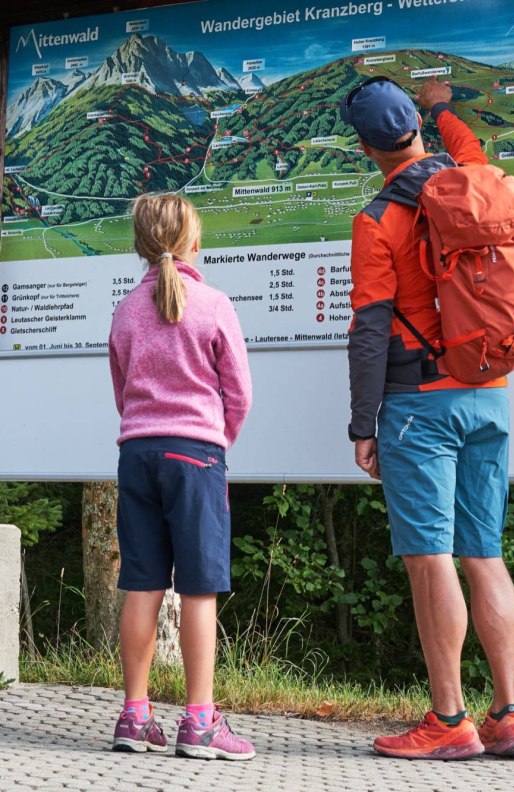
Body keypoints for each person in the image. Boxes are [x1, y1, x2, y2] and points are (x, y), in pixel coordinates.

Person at [340, 76, 514, 760]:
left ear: (365, 148)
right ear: (416, 134)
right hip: (491, 387)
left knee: (430, 558)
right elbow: (466, 143)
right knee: (484, 552)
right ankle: (508, 713)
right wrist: (442, 106)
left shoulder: (378, 219)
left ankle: (449, 718)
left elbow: (369, 328)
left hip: (419, 406)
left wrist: (363, 425)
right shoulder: (474, 177)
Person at [108, 192, 255, 761]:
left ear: (141, 246)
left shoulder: (124, 309)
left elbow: (122, 390)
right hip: (196, 454)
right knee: (198, 585)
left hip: (137, 453)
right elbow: (237, 393)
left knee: (142, 581)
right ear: (195, 242)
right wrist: (218, 442)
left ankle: (135, 715)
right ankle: (199, 722)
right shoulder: (214, 303)